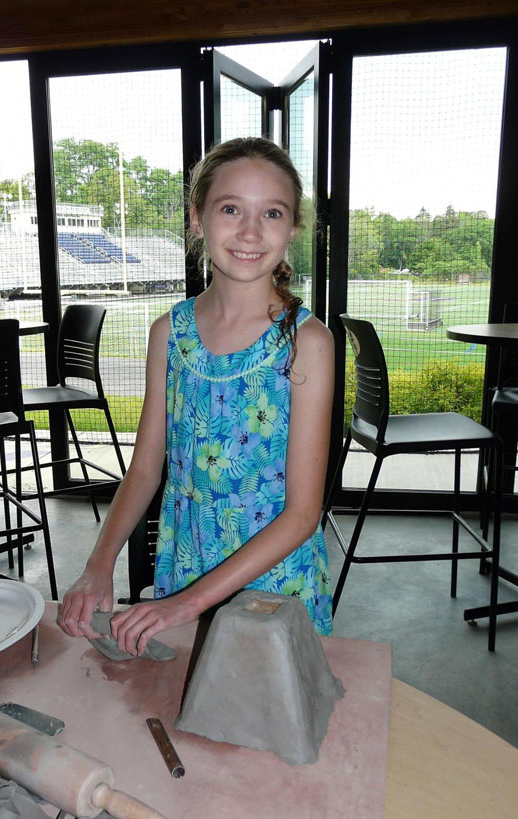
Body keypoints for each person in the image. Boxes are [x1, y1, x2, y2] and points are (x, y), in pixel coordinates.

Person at [59, 136, 334, 654]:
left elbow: (302, 514)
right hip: (185, 567)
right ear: (197, 218)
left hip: (273, 587)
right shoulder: (169, 332)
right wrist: (99, 567)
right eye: (230, 208)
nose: (250, 231)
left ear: (292, 228)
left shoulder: (306, 343)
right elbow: (144, 469)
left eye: (271, 213)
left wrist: (189, 603)